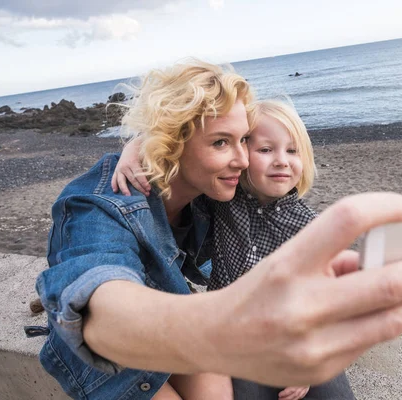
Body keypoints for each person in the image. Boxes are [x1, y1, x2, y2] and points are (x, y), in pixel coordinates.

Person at [34, 59, 402, 400]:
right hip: (102, 354)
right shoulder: (100, 204)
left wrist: (139, 142)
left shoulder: (211, 187)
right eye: (222, 143)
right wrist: (231, 326)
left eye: (243, 140)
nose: (243, 160)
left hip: (174, 307)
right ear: (171, 142)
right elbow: (99, 315)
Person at [114, 99, 355, 399]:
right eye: (266, 150)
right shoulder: (226, 198)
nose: (281, 160)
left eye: (292, 151)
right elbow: (175, 142)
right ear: (242, 154)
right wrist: (132, 149)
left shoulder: (311, 227)